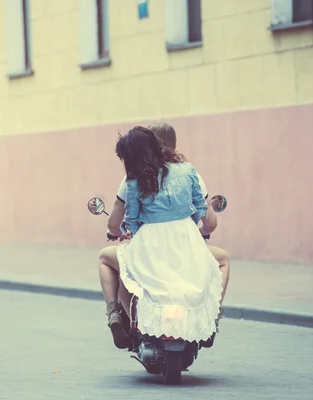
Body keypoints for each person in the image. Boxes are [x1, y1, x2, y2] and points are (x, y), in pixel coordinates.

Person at [98, 122, 230, 348]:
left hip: (150, 248)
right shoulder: (189, 171)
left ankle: (115, 315)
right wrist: (199, 232)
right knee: (223, 260)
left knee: (105, 258)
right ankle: (212, 318)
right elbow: (207, 218)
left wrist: (132, 235)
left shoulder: (134, 180)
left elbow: (130, 220)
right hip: (186, 242)